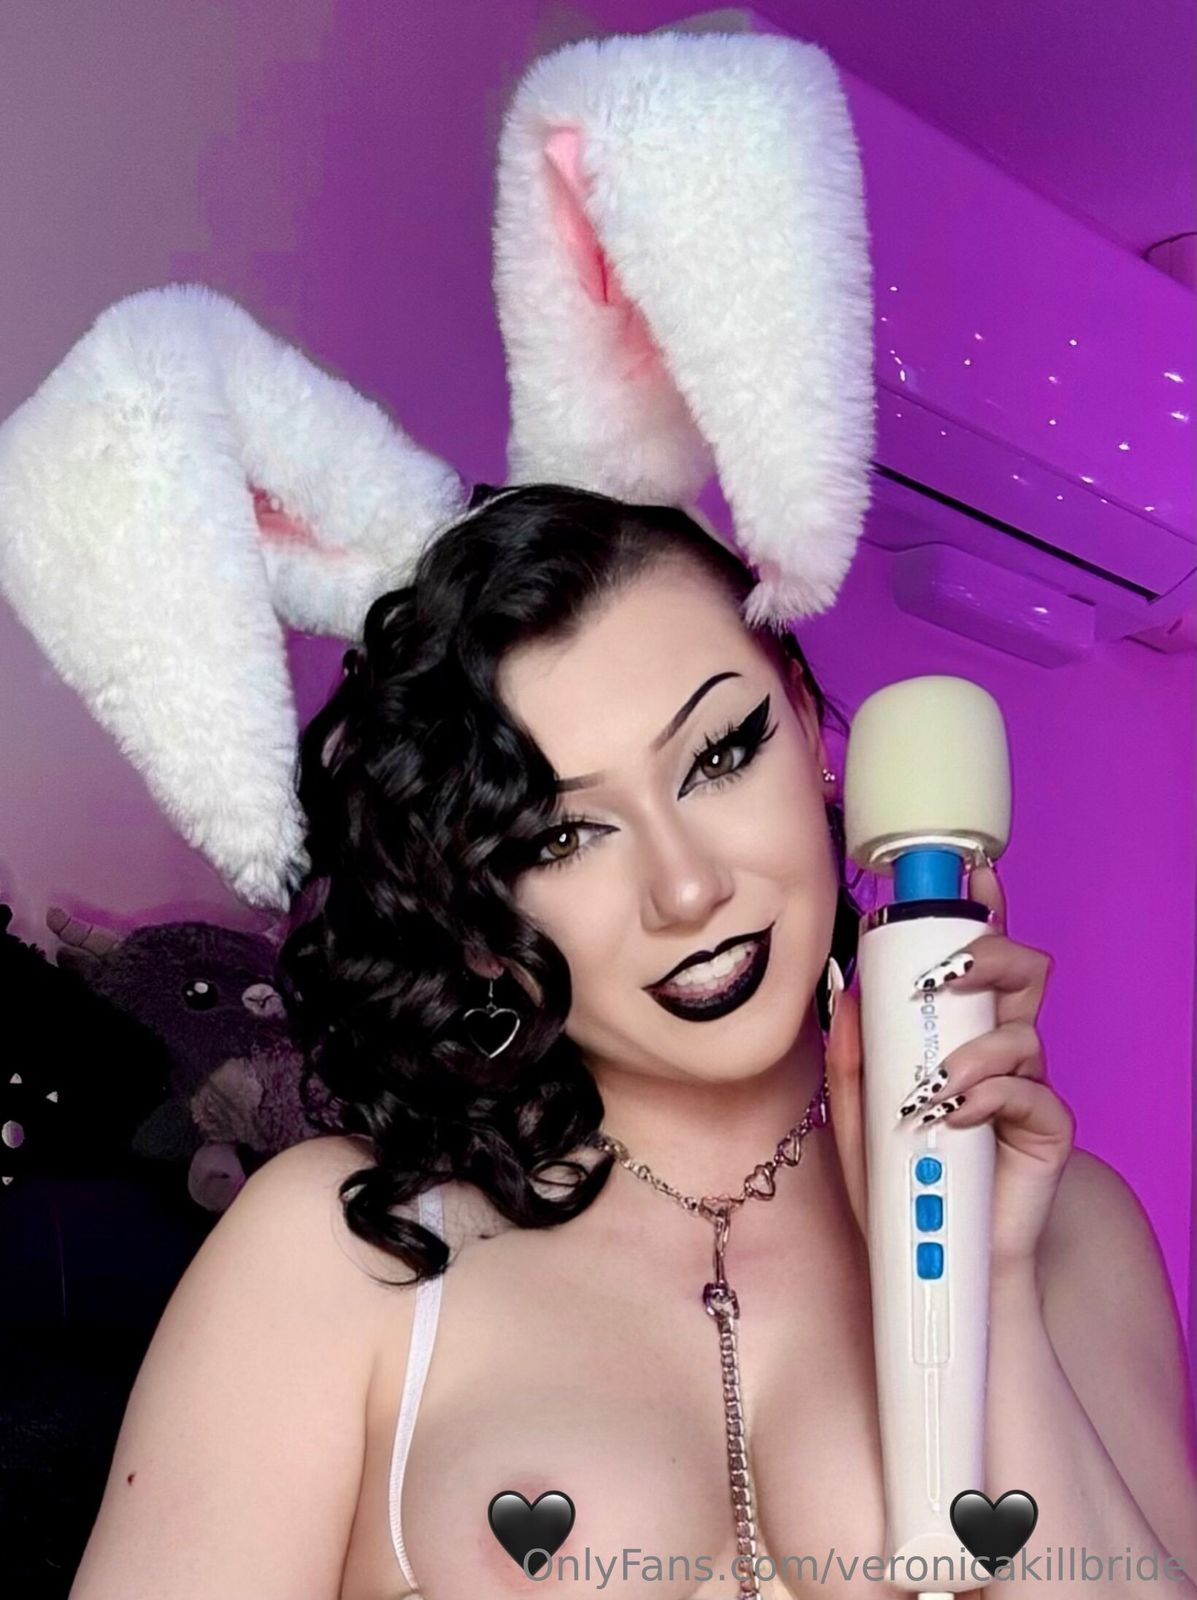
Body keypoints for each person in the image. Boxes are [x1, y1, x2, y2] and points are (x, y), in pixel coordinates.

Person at [69, 485, 1196, 1600]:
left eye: (719, 757)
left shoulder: (1069, 1234)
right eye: (561, 837)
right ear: (475, 918)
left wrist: (983, 1288)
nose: (687, 886)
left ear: (808, 724)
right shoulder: (341, 1248)